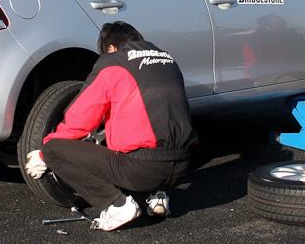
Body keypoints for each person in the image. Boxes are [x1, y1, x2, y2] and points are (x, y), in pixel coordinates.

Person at [25, 21, 197, 231]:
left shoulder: (114, 62)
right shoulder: (168, 60)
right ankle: (158, 195)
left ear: (111, 48)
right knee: (155, 131)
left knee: (54, 150)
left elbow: (81, 119)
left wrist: (45, 152)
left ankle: (117, 205)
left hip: (142, 171)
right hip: (182, 165)